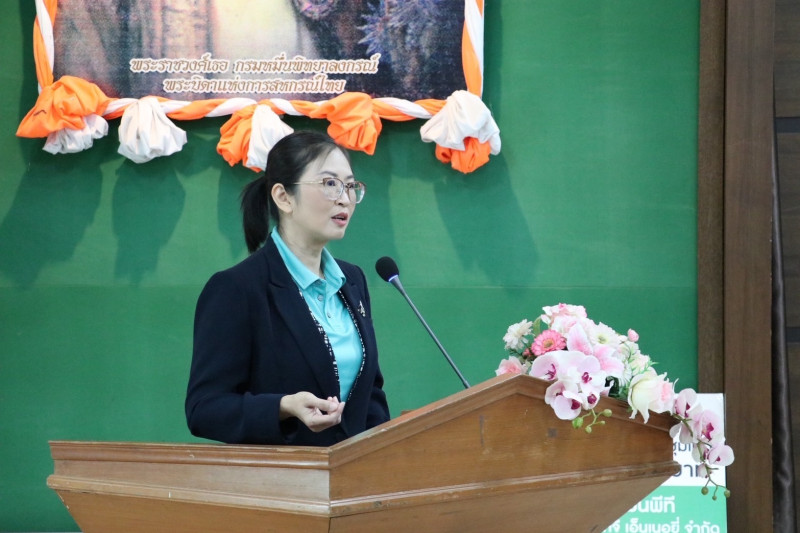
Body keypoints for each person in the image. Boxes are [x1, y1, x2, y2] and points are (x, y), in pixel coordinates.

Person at [185, 130, 390, 446]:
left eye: (350, 186)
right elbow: (204, 409)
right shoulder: (237, 289)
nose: (345, 198)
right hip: (282, 473)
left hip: (354, 472)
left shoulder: (352, 280)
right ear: (283, 197)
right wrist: (282, 407)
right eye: (330, 183)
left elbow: (370, 392)